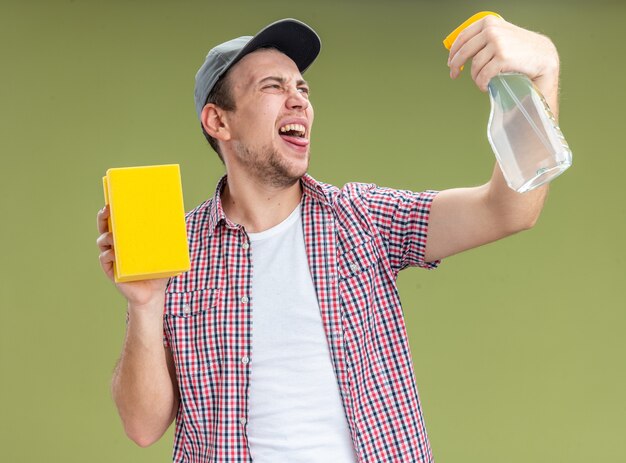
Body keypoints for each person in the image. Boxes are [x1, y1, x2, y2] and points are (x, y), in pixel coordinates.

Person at [96, 17, 561, 463]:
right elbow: (142, 427)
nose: (298, 100)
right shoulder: (177, 249)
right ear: (219, 122)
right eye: (273, 87)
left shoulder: (362, 218)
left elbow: (509, 208)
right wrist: (144, 304)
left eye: (302, 88)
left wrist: (542, 72)